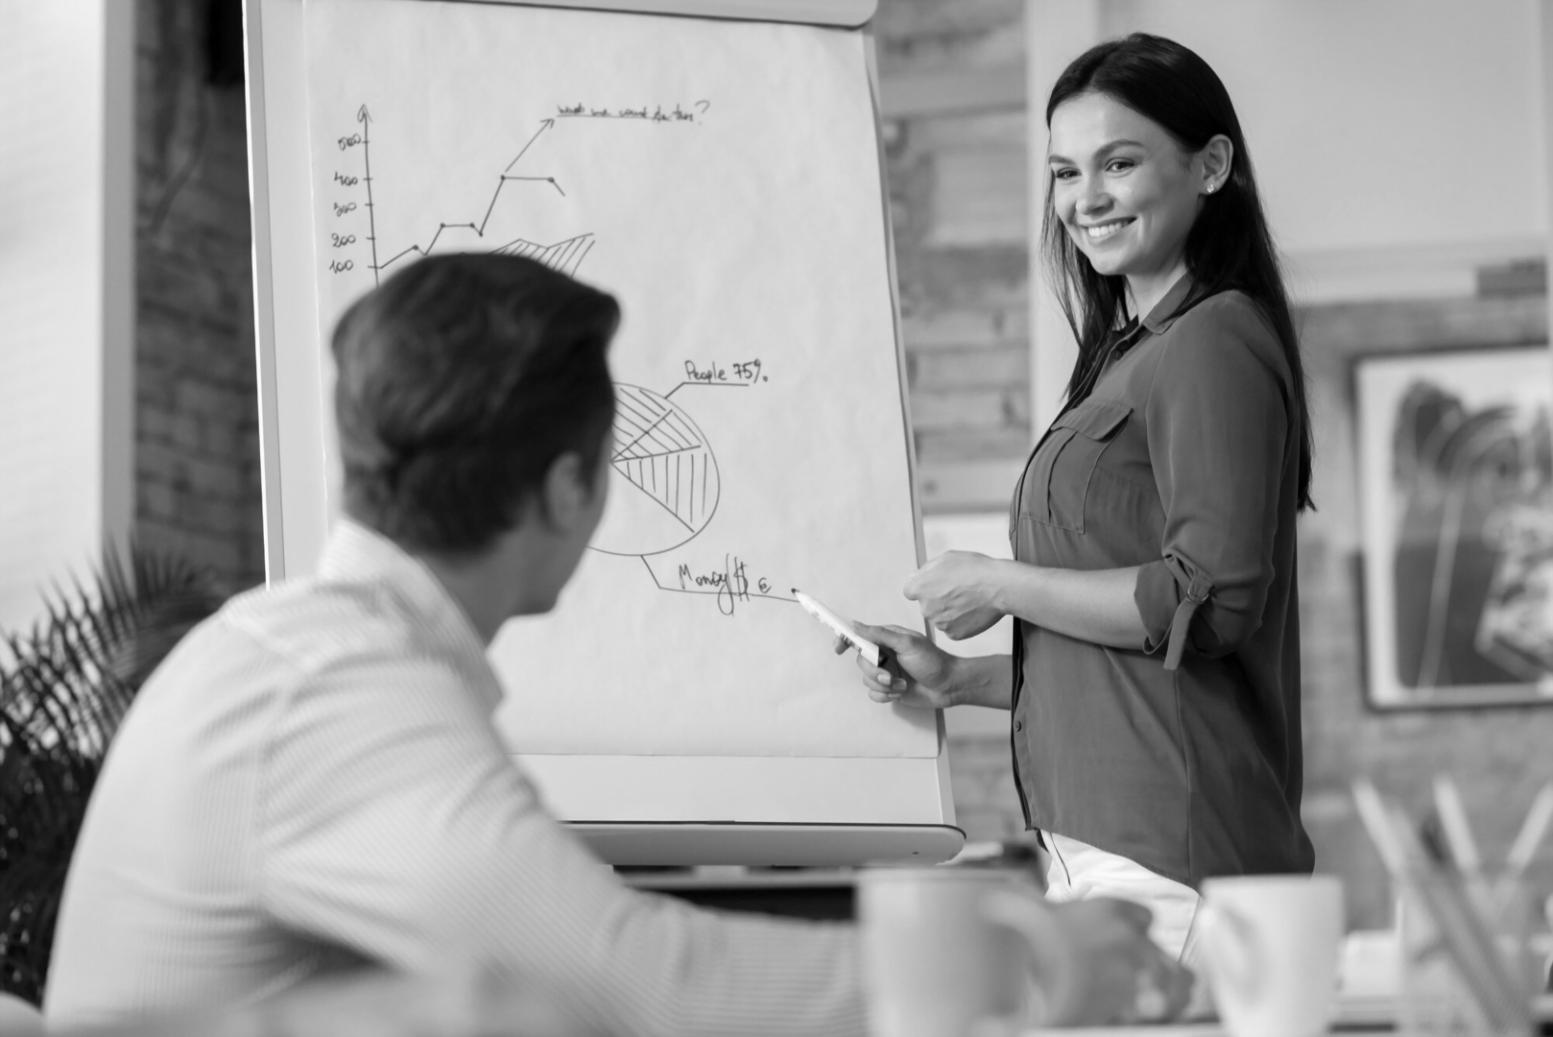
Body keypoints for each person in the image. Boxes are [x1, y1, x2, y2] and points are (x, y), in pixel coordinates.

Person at [44, 253, 1190, 1035]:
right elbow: (635, 976)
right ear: (566, 489)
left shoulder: (299, 652)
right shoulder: (335, 692)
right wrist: (1029, 963)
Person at [851, 32, 1317, 960]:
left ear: (1211, 165)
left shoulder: (1212, 340)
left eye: (1119, 162)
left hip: (1172, 854)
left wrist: (998, 582)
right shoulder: (1126, 355)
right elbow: (1131, 662)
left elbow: (1208, 601)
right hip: (1105, 850)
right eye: (1065, 172)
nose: (1084, 198)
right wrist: (960, 681)